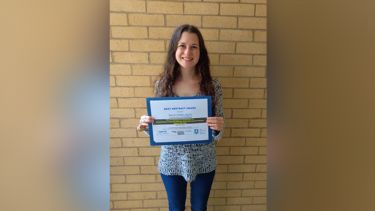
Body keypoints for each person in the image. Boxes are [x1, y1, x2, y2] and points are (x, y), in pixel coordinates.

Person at [136, 24, 224, 211]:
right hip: (171, 160)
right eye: (182, 45)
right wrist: (146, 126)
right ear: (174, 48)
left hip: (204, 159)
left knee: (200, 207)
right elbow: (158, 130)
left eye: (194, 46)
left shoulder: (213, 85)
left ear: (201, 51)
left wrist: (218, 127)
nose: (187, 52)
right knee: (175, 208)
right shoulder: (162, 85)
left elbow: (218, 133)